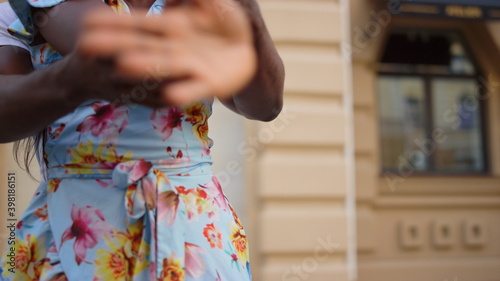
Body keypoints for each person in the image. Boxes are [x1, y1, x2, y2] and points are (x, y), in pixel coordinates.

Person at [0, 0, 284, 279]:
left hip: (194, 230)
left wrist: (250, 19)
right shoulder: (37, 7)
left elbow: (266, 106)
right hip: (73, 229)